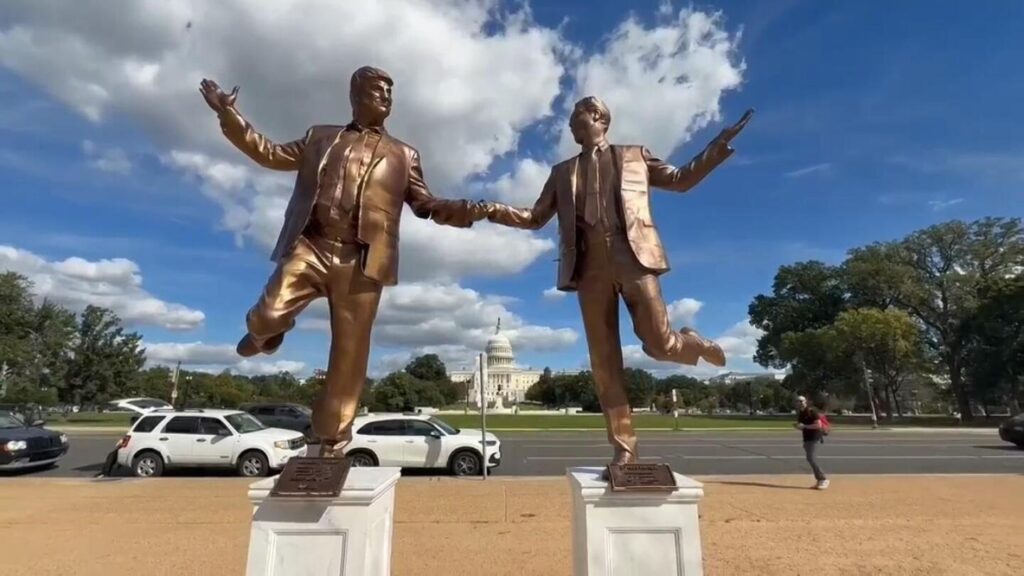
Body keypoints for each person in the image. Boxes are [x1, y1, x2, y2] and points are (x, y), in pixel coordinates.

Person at [199, 67, 488, 457]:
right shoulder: (320, 137)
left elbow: (425, 203)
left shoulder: (404, 154)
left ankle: (330, 442)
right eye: (377, 90)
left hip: (362, 260)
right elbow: (268, 153)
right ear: (355, 95)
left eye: (390, 92)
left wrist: (463, 210)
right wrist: (228, 115)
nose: (386, 98)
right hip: (312, 246)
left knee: (349, 356)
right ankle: (263, 336)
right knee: (266, 314)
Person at [481, 96, 751, 468]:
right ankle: (625, 449)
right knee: (604, 362)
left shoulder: (634, 155)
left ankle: (690, 343)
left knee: (659, 345)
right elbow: (533, 217)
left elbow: (680, 180)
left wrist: (717, 146)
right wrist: (492, 209)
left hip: (633, 258)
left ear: (598, 118)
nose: (571, 127)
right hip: (588, 268)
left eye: (577, 119)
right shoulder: (562, 172)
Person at [795, 395, 829, 489]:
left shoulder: (812, 411)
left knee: (811, 458)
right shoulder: (800, 413)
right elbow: (804, 426)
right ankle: (819, 480)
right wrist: (799, 426)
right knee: (810, 458)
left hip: (814, 438)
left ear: (806, 401)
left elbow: (818, 425)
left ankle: (823, 479)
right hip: (807, 438)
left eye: (802, 401)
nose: (800, 403)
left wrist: (804, 426)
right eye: (798, 401)